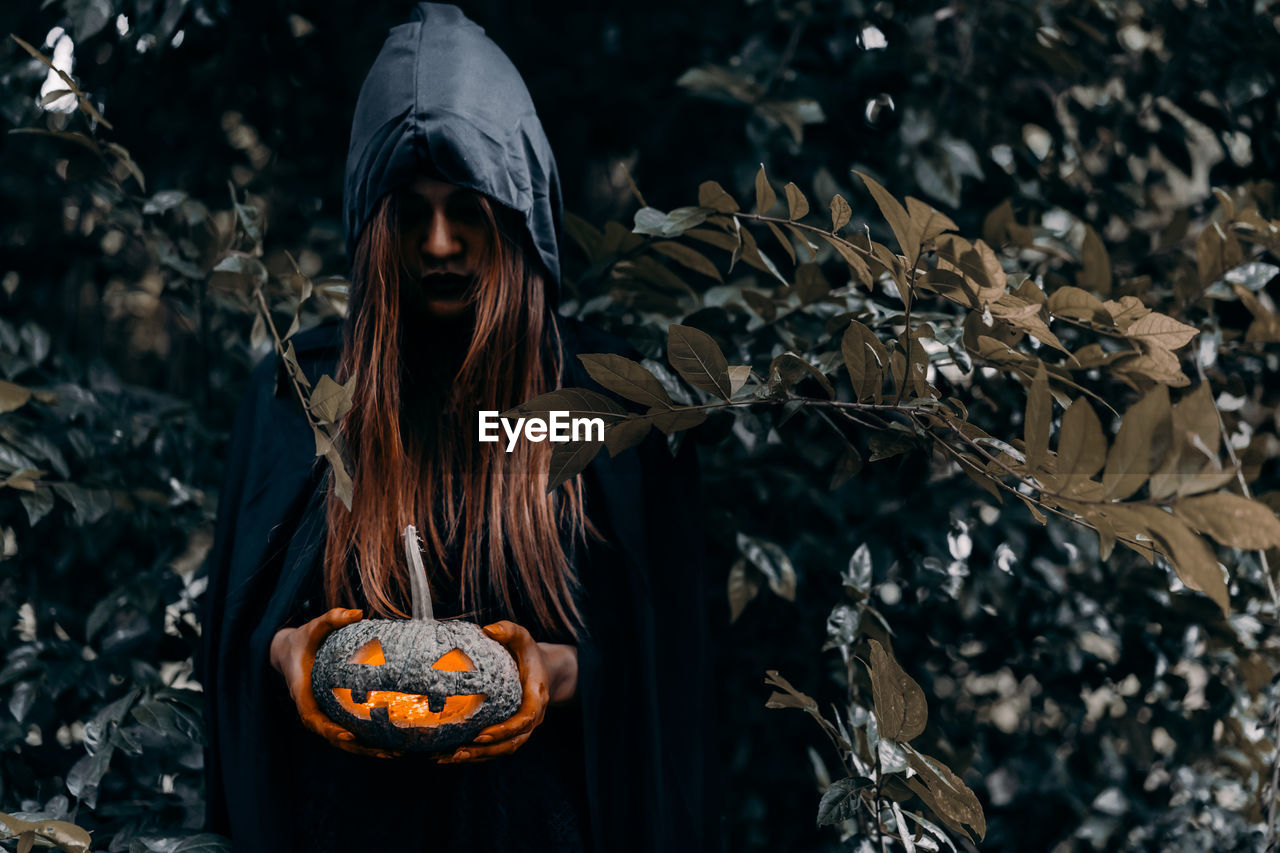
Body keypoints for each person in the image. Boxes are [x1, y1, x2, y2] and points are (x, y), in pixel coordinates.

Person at [197, 4, 714, 851]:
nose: (440, 243)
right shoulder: (301, 395)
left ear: (514, 210)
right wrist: (292, 652)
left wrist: (559, 670)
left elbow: (668, 668)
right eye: (410, 212)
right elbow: (240, 643)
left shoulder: (600, 402)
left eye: (466, 207)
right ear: (373, 225)